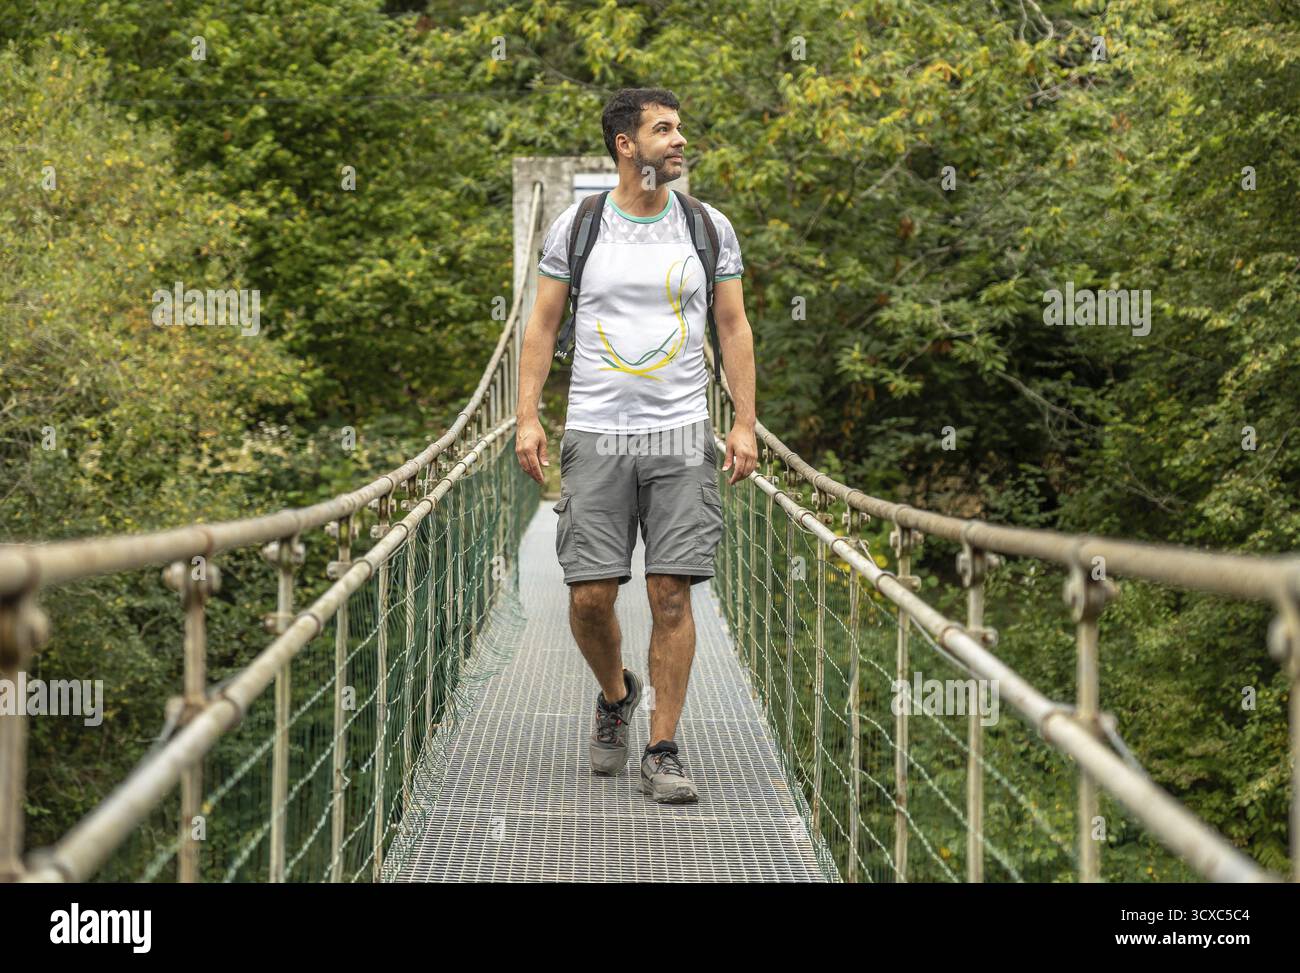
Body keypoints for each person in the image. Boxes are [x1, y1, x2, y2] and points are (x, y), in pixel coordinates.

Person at [515, 87, 757, 803]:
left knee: (670, 593)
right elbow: (540, 324)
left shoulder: (708, 227)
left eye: (680, 127)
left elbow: (734, 326)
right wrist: (528, 416)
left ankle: (663, 746)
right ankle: (616, 692)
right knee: (591, 597)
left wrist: (743, 421)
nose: (680, 140)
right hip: (595, 431)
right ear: (626, 145)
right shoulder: (579, 226)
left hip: (683, 434)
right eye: (664, 129)